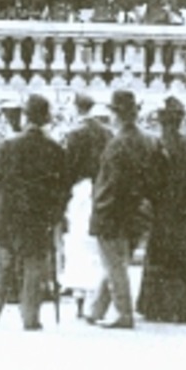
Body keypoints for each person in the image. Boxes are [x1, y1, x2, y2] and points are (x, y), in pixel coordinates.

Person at [0, 94, 69, 331]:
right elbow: (62, 188)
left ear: (26, 116)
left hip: (7, 215)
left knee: (2, 264)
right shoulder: (55, 150)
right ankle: (30, 319)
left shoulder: (7, 145)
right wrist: (54, 215)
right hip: (37, 217)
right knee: (33, 267)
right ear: (46, 118)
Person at [137, 97, 186, 323]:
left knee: (163, 259)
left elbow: (148, 185)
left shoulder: (155, 148)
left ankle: (160, 307)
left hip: (165, 215)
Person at [86, 90, 160, 329]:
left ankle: (123, 313)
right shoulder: (148, 140)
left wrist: (99, 211)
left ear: (116, 114)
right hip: (137, 212)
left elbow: (109, 184)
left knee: (114, 264)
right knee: (117, 261)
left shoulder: (117, 144)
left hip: (113, 213)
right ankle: (96, 309)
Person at [59, 94, 113, 302]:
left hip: (80, 188)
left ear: (76, 108)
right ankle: (95, 285)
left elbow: (70, 167)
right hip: (99, 187)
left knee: (77, 237)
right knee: (94, 241)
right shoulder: (106, 133)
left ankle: (78, 284)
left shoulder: (75, 134)